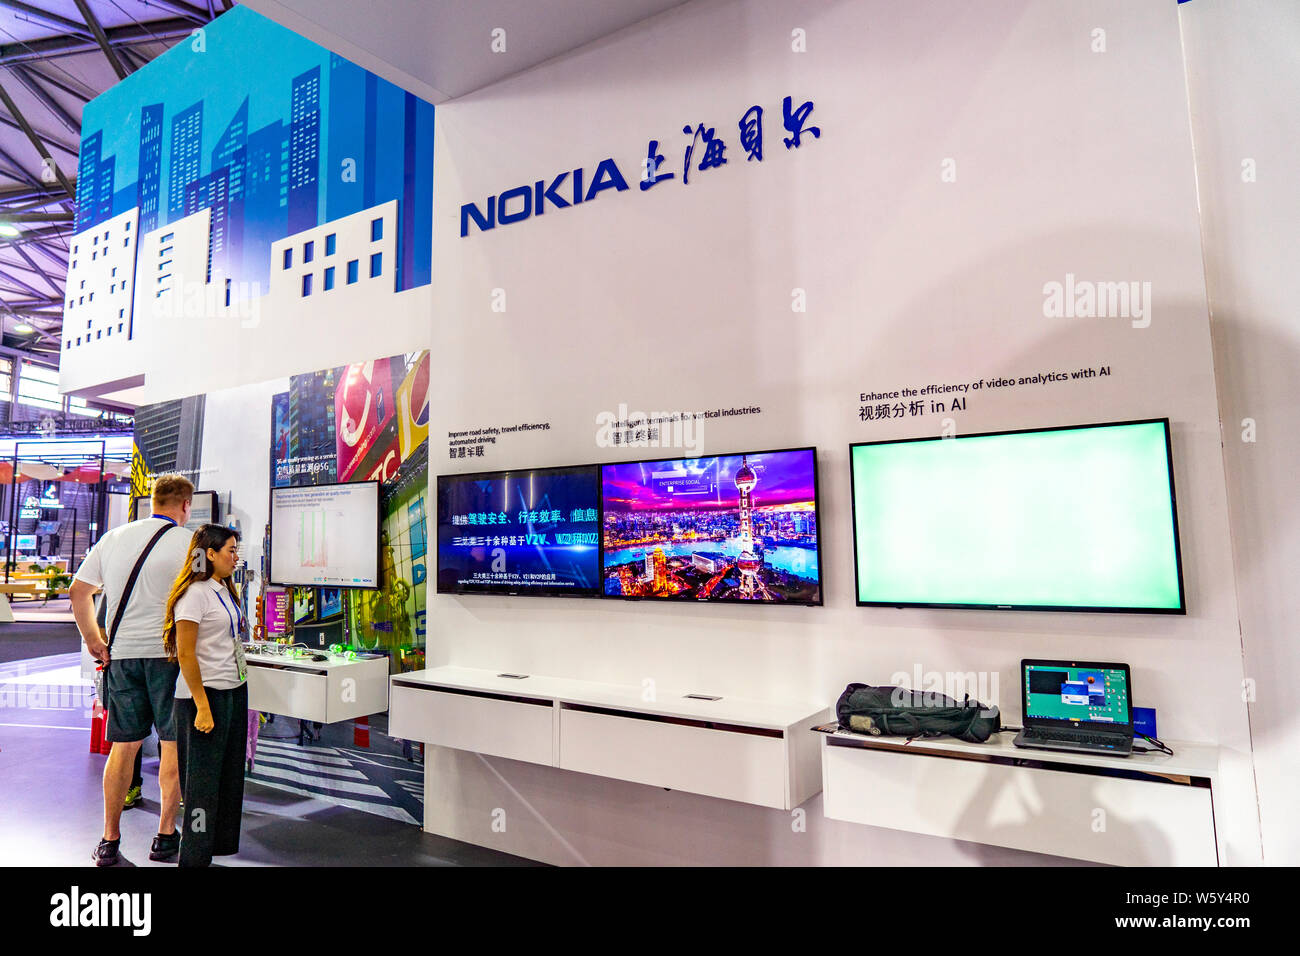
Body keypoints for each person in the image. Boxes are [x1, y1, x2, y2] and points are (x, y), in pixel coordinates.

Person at [70, 474, 195, 866]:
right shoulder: (189, 542)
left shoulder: (113, 538)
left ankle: (109, 840)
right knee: (172, 746)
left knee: (123, 747)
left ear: (152, 501)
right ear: (185, 506)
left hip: (120, 657)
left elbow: (79, 591)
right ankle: (164, 837)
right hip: (170, 658)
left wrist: (94, 639)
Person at [165, 524, 248, 868]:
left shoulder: (224, 590)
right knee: (201, 785)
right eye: (230, 549)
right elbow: (185, 654)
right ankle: (194, 858)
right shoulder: (194, 594)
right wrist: (201, 705)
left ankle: (213, 849)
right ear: (209, 554)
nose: (235, 556)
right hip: (204, 698)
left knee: (227, 778)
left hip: (232, 692)